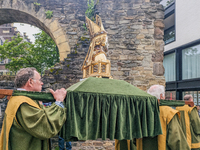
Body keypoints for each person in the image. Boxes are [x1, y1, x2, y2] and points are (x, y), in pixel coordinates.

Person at [0, 67, 67, 150]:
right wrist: (59, 101)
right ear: (30, 82)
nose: (42, 83)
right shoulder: (23, 103)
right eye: (40, 80)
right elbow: (45, 128)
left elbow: (42, 114)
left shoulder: (19, 98)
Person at [135, 85, 190, 150]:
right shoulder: (169, 112)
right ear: (161, 96)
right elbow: (176, 140)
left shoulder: (139, 112)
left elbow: (134, 137)